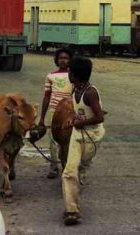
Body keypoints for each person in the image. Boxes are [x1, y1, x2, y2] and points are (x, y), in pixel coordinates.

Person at [62, 56, 105, 226]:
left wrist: (81, 122)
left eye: (70, 71)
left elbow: (99, 117)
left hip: (93, 136)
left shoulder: (90, 92)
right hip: (77, 134)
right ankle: (71, 211)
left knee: (80, 168)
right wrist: (72, 119)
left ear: (75, 74)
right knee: (69, 171)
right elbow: (76, 111)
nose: (68, 74)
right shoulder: (75, 89)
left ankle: (82, 172)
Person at [38, 48, 74, 179]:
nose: (63, 60)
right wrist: (42, 118)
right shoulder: (51, 76)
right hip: (54, 112)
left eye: (66, 58)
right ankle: (54, 167)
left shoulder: (74, 76)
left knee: (68, 141)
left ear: (70, 60)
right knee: (53, 141)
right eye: (60, 58)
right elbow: (47, 96)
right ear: (56, 60)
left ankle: (69, 166)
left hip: (69, 112)